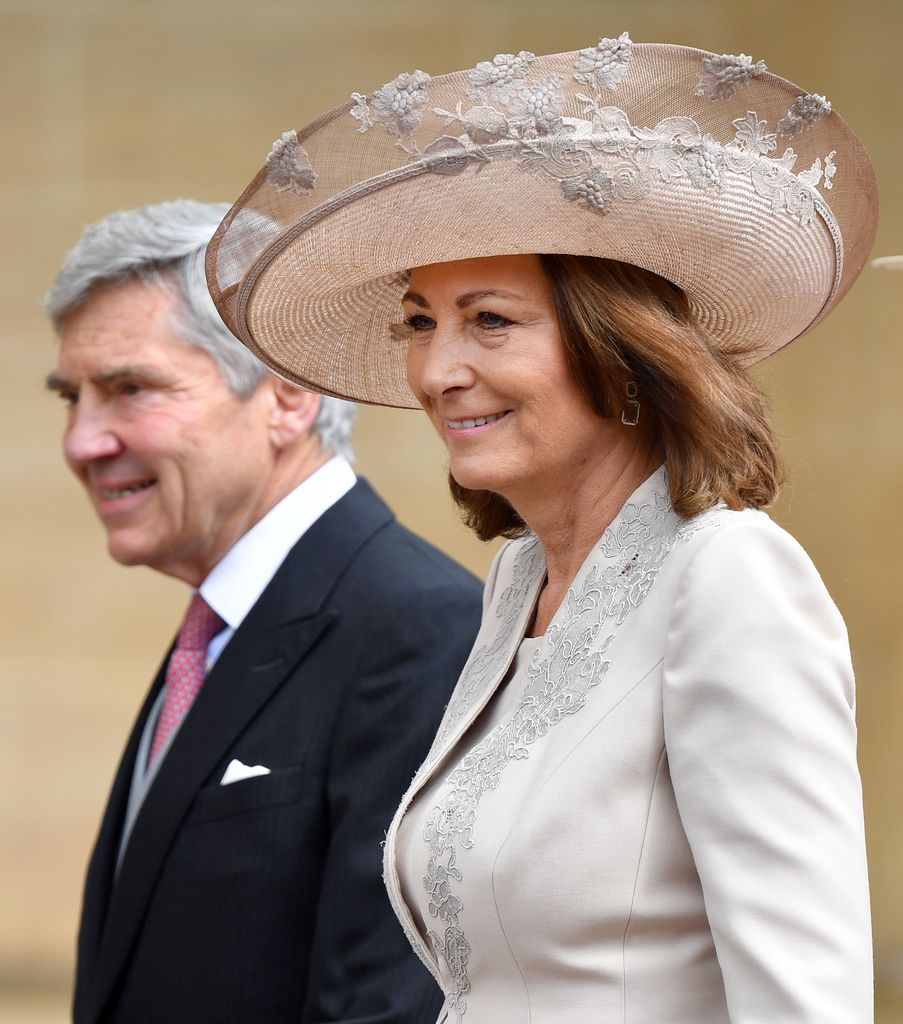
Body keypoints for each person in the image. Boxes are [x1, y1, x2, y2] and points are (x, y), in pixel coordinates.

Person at [205, 35, 878, 1024]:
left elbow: (804, 1005)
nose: (438, 373)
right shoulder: (517, 586)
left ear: (619, 345)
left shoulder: (730, 580)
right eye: (421, 322)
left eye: (490, 320)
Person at [44, 199, 483, 1024]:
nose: (82, 441)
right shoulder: (219, 627)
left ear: (287, 394)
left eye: (129, 389)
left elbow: (385, 1006)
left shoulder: (414, 630)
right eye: (72, 396)